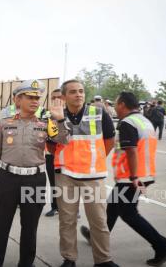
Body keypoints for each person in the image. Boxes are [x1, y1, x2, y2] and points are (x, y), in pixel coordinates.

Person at [81, 92, 166, 266]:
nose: (115, 107)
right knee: (113, 208)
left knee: (129, 214)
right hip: (144, 173)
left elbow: (131, 151)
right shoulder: (144, 121)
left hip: (131, 177)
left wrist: (133, 177)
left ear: (123, 104)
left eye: (117, 103)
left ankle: (162, 246)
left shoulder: (127, 123)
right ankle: (97, 237)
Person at [0, 79, 70, 267]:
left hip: (36, 180)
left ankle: (26, 263)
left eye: (37, 98)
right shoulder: (4, 122)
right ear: (18, 99)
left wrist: (60, 119)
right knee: (1, 226)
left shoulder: (46, 122)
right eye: (30, 97)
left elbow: (64, 140)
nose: (35, 101)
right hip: (8, 179)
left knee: (30, 227)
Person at [54, 79, 118, 267]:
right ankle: (69, 258)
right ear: (64, 96)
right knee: (67, 221)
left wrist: (95, 159)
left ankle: (103, 260)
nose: (79, 94)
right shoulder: (55, 116)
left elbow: (109, 141)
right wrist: (58, 119)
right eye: (73, 92)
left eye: (81, 91)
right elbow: (51, 146)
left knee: (99, 221)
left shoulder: (99, 113)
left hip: (93, 176)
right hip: (65, 175)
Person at [45, 88, 62, 217]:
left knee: (69, 185)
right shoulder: (47, 115)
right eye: (53, 98)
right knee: (53, 182)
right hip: (51, 154)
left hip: (67, 157)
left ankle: (73, 209)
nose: (56, 100)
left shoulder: (69, 115)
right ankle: (54, 206)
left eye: (59, 97)